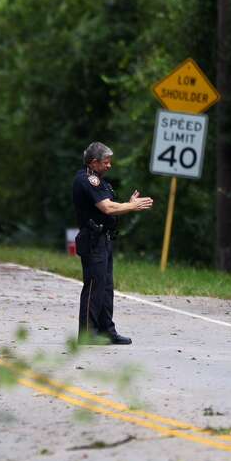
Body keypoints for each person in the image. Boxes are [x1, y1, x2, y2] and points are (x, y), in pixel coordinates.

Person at [71, 142, 154, 345]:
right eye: (106, 162)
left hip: (104, 239)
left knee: (106, 287)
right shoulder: (87, 180)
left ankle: (107, 331)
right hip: (93, 240)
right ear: (94, 162)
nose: (109, 166)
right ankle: (88, 333)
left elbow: (112, 207)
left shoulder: (101, 181)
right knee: (94, 286)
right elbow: (107, 208)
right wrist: (131, 206)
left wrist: (127, 203)